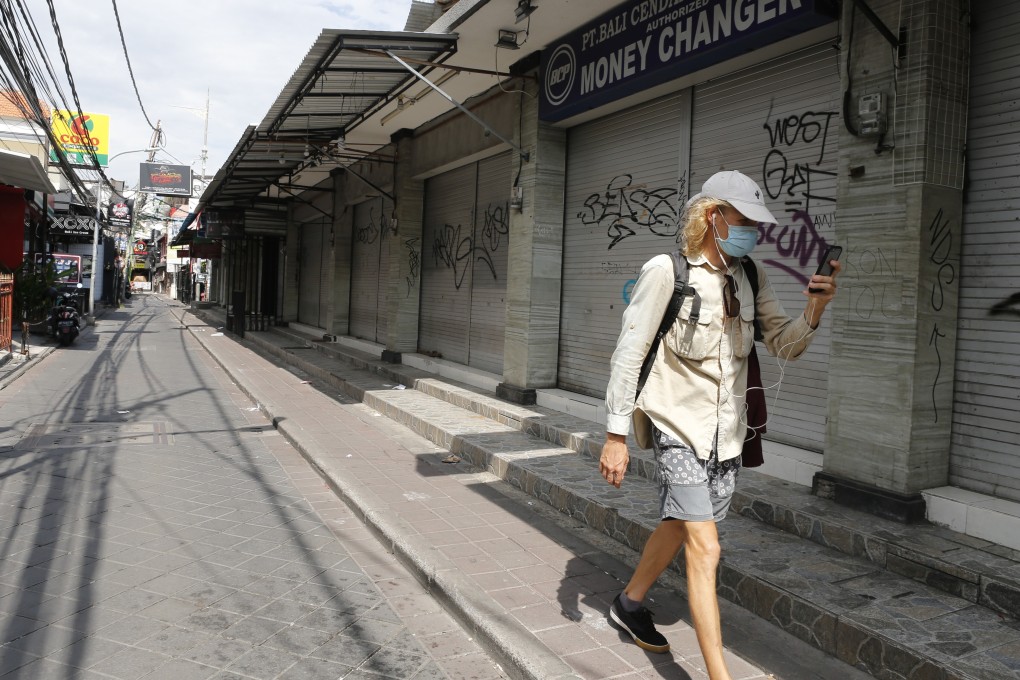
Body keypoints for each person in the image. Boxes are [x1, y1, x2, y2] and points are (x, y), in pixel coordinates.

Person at [599, 170, 840, 679]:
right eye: (746, 219)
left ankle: (629, 601)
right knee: (706, 548)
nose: (756, 230)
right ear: (714, 217)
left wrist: (815, 308)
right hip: (676, 424)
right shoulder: (667, 271)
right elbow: (629, 353)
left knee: (681, 525)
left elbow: (784, 346)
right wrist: (615, 434)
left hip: (727, 433)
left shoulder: (752, 276)